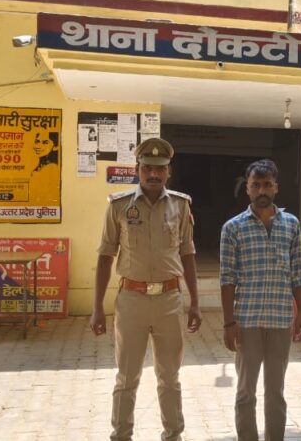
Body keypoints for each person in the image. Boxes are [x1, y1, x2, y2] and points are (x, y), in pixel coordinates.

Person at [89, 137, 203, 441]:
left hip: (169, 301)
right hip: (131, 301)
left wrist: (195, 302)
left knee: (170, 377)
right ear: (137, 170)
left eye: (160, 169)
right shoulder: (119, 206)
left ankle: (173, 435)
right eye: (147, 168)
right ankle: (121, 435)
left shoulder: (180, 205)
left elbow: (188, 254)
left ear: (169, 172)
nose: (154, 174)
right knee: (127, 377)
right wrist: (97, 307)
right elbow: (105, 256)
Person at [219, 159, 301, 441]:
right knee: (246, 391)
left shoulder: (291, 225)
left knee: (276, 392)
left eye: (267, 184)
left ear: (276, 187)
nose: (261, 191)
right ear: (247, 188)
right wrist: (228, 323)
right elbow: (227, 278)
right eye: (255, 185)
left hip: (280, 320)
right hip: (247, 322)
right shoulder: (233, 228)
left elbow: (298, 273)